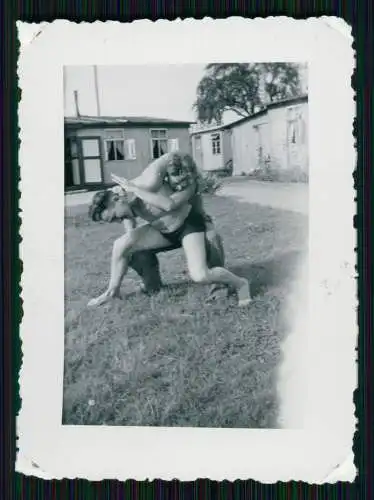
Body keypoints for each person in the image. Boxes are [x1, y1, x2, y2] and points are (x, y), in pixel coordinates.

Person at [87, 152, 251, 308]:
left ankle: (241, 284)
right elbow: (128, 233)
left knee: (200, 275)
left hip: (188, 225)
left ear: (117, 199)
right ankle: (112, 292)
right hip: (164, 232)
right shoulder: (124, 203)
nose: (118, 220)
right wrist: (128, 245)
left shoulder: (145, 182)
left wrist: (134, 189)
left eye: (115, 217)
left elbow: (168, 204)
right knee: (120, 244)